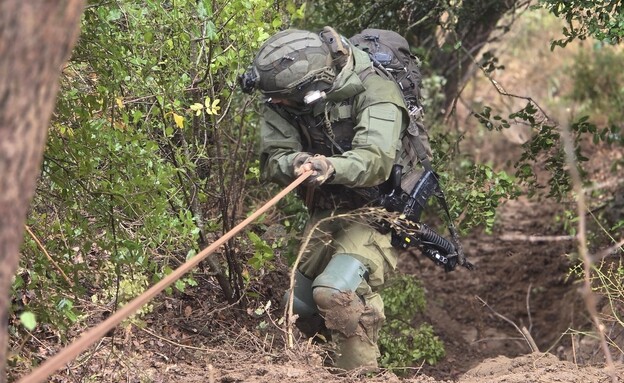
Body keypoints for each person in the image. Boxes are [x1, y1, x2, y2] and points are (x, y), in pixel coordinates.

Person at [239, 26, 418, 372]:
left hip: (381, 209)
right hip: (330, 207)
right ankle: (318, 370)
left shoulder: (375, 88)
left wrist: (330, 167)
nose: (275, 104)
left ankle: (361, 375)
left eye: (282, 100)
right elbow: (274, 157)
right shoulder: (281, 95)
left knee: (334, 292)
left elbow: (376, 160)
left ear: (312, 90)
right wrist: (295, 163)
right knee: (299, 305)